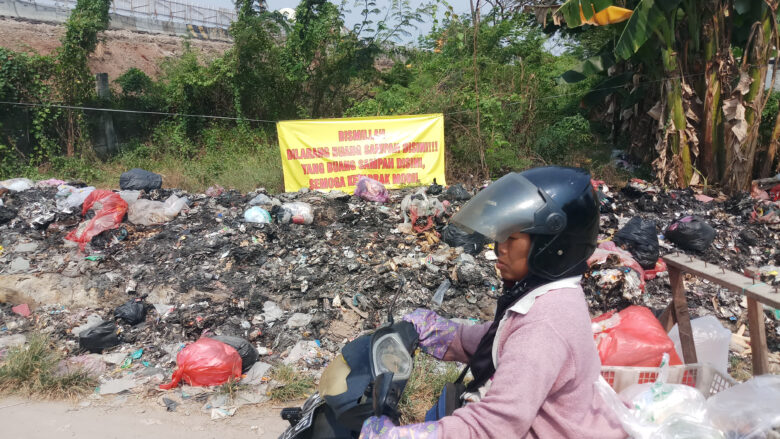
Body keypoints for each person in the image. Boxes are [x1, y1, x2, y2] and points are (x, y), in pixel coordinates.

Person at [360, 166, 626, 439]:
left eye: (512, 238)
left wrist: (400, 437)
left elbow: (493, 428)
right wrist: (442, 333)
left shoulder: (545, 329)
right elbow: (505, 342)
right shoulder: (551, 295)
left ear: (552, 246)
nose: (499, 247)